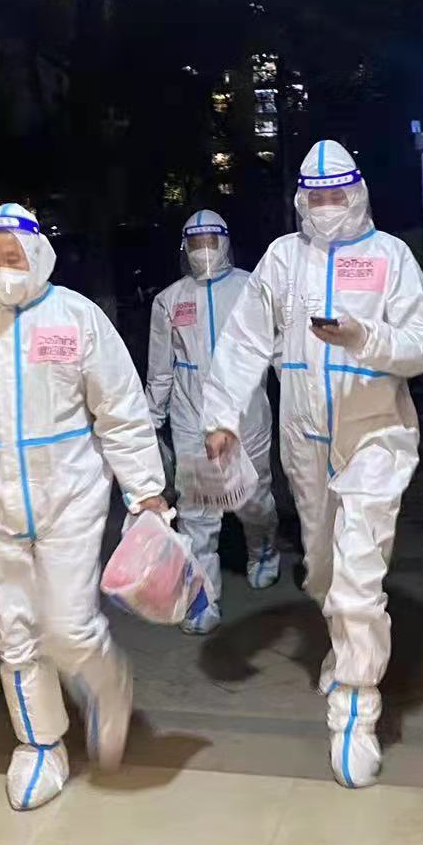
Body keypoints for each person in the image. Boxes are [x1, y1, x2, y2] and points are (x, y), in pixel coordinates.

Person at [0, 204, 169, 810]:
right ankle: (41, 743)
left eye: (12, 257)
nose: (2, 269)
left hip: (69, 494)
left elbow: (120, 409)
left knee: (69, 626)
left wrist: (146, 489)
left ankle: (107, 685)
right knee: (14, 633)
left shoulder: (77, 317)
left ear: (38, 256)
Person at [200, 141, 423, 788]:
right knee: (323, 570)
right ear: (301, 201)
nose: (327, 208)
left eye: (338, 195)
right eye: (316, 198)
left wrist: (366, 338)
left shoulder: (390, 257)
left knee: (359, 577)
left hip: (376, 436)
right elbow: (245, 340)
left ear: (357, 193)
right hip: (304, 437)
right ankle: (342, 646)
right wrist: (222, 416)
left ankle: (356, 710)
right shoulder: (284, 259)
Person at [145, 209, 282, 634]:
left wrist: (303, 394)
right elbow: (161, 368)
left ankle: (263, 546)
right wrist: (153, 418)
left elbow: (278, 350)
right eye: (195, 243)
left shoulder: (252, 287)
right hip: (192, 416)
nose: (203, 250)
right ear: (184, 248)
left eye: (210, 241)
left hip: (246, 415)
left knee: (253, 497)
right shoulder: (170, 300)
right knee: (196, 510)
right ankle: (204, 598)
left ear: (225, 242)